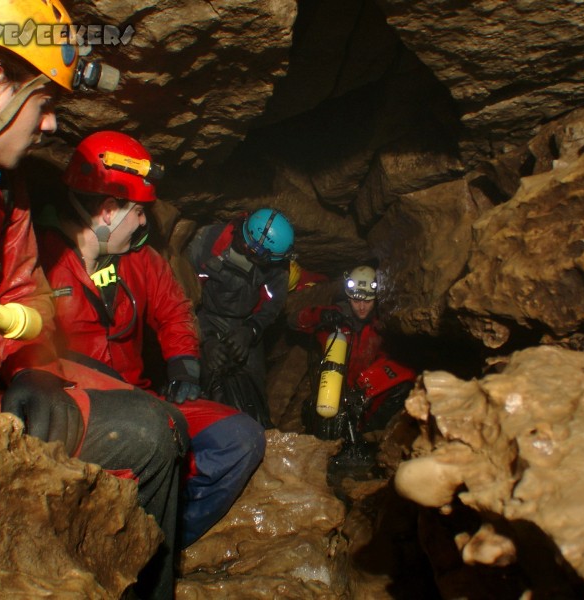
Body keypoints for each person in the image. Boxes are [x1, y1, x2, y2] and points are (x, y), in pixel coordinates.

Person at [0, 3, 184, 598]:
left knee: (153, 428)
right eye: (45, 105)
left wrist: (29, 369)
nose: (48, 127)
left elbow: (24, 298)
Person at [37, 130, 266, 548]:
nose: (145, 221)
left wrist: (183, 363)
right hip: (70, 410)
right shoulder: (37, 258)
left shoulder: (139, 259)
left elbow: (174, 309)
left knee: (243, 438)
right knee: (152, 437)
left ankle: (163, 543)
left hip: (140, 398)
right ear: (108, 210)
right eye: (139, 211)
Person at [187, 207, 294, 428]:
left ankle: (259, 433)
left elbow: (274, 303)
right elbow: (184, 297)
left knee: (254, 385)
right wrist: (204, 340)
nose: (254, 259)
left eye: (262, 259)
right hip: (204, 315)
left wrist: (251, 331)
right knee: (203, 376)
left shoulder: (276, 265)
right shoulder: (206, 243)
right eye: (250, 251)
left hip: (245, 321)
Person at [289, 265, 416, 441]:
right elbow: (293, 320)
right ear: (348, 298)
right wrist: (320, 316)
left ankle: (369, 438)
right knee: (326, 422)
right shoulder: (335, 318)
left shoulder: (382, 325)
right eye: (356, 301)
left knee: (405, 383)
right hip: (335, 388)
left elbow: (391, 360)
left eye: (368, 301)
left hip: (365, 389)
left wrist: (364, 388)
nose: (362, 307)